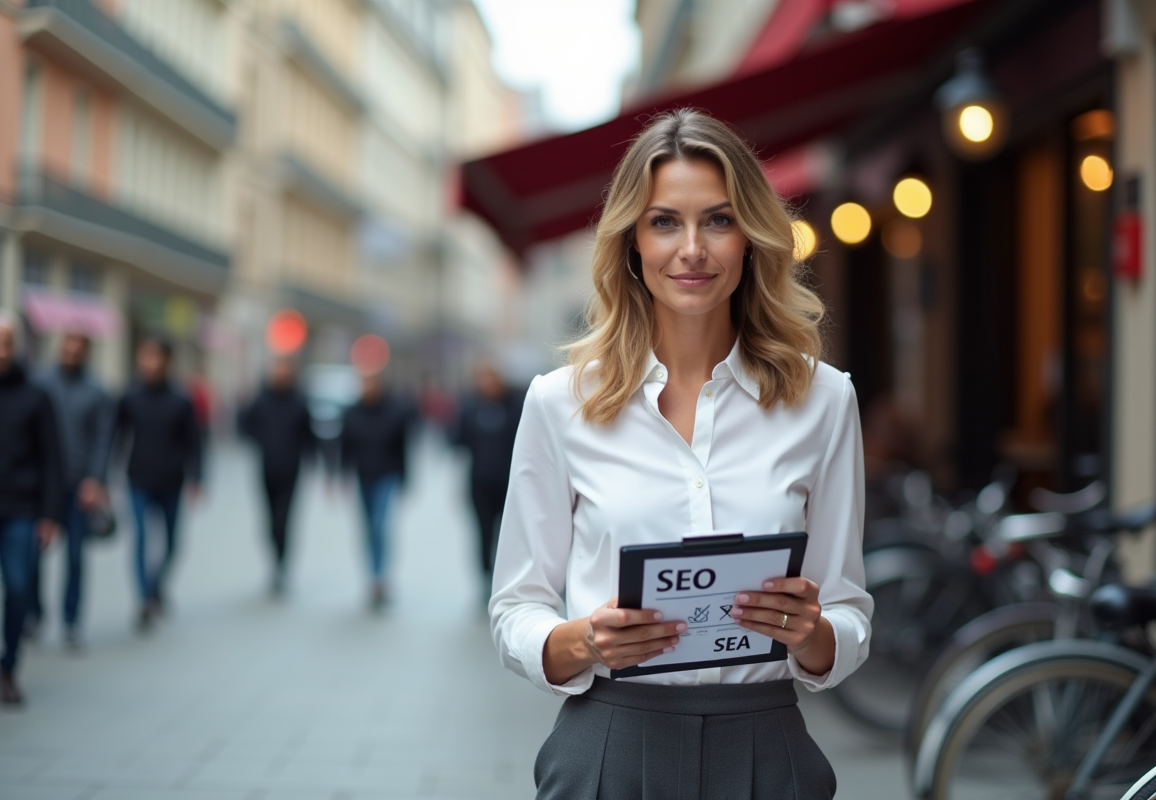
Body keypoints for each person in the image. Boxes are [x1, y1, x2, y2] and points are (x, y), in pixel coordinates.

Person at [489, 109, 872, 798]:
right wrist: (583, 641)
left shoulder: (824, 400)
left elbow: (849, 611)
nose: (691, 248)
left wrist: (811, 633)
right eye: (665, 221)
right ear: (632, 241)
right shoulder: (559, 402)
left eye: (718, 221)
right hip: (609, 742)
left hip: (765, 747)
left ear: (751, 239)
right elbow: (516, 608)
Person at [29, 332, 113, 649]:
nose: (71, 353)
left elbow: (103, 439)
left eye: (78, 348)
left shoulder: (97, 391)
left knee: (76, 557)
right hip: (41, 484)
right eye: (67, 346)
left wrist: (96, 479)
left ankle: (71, 621)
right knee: (32, 555)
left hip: (79, 485)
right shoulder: (41, 383)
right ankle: (34, 615)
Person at [115, 336, 201, 631]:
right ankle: (144, 599)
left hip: (171, 481)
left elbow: (195, 443)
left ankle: (156, 586)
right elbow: (115, 435)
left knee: (172, 543)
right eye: (145, 356)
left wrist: (197, 478)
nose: (149, 363)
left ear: (167, 360)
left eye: (155, 357)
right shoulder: (130, 396)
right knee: (140, 539)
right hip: (138, 478)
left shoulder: (181, 400)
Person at [0, 315, 62, 704]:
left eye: (6, 343)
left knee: (20, 587)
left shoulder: (36, 396)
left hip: (22, 509)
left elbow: (51, 458)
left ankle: (8, 667)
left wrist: (50, 515)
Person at [239, 356, 315, 595]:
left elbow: (309, 435)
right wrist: (261, 441)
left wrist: (313, 459)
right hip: (267, 468)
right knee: (270, 522)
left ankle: (282, 565)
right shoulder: (261, 400)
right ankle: (274, 559)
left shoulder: (299, 401)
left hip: (291, 470)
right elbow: (244, 426)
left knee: (284, 521)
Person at [339, 371, 413, 610]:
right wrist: (341, 475)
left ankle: (379, 577)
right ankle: (372, 574)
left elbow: (403, 448)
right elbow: (345, 447)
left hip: (387, 475)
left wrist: (405, 477)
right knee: (369, 527)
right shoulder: (352, 413)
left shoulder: (394, 413)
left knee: (380, 525)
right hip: (363, 476)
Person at [450, 361, 522, 588]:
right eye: (484, 379)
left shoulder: (515, 407)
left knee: (510, 534)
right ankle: (485, 578)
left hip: (510, 483)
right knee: (483, 533)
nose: (489, 385)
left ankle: (509, 579)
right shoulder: (470, 408)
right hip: (479, 484)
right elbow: (458, 444)